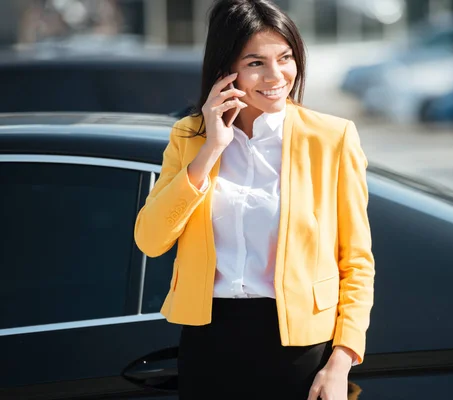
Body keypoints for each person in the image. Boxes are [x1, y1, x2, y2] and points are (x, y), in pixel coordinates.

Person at [134, 0, 374, 398]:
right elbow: (150, 239)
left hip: (298, 350)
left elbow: (357, 263)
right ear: (226, 71)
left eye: (285, 57)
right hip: (208, 342)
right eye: (256, 63)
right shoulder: (188, 136)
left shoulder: (332, 138)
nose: (277, 75)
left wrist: (341, 362)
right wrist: (211, 149)